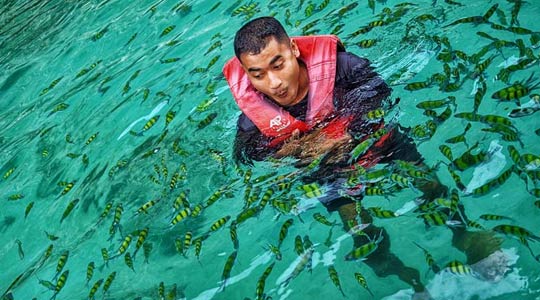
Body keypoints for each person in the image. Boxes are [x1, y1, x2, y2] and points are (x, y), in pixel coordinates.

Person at [223, 16, 503, 298]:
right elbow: (246, 156)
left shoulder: (346, 67)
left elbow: (381, 96)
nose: (273, 83)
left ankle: (466, 237)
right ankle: (404, 277)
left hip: (381, 143)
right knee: (358, 227)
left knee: (430, 185)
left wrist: (345, 132)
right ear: (247, 75)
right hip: (330, 172)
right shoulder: (251, 123)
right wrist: (286, 153)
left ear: (294, 50)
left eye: (278, 64)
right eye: (258, 74)